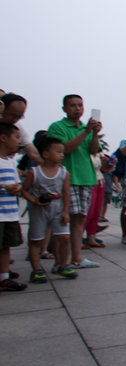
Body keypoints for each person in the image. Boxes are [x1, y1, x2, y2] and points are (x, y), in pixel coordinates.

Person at [47, 94, 102, 270]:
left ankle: (77, 257)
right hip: (66, 178)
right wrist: (85, 132)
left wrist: (93, 134)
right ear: (64, 108)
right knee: (63, 219)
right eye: (72, 105)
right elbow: (65, 149)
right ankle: (59, 260)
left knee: (79, 219)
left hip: (86, 177)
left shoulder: (87, 128)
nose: (77, 108)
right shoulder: (57, 127)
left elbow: (93, 151)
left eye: (80, 105)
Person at [21, 135, 75, 282]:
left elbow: (66, 193)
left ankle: (63, 265)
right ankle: (37, 269)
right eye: (58, 152)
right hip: (39, 209)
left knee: (64, 237)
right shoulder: (35, 172)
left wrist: (65, 212)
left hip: (58, 208)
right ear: (45, 154)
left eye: (62, 152)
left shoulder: (64, 173)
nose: (61, 155)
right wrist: (34, 201)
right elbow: (24, 190)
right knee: (36, 239)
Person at [0, 123, 27, 291]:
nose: (19, 141)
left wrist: (17, 188)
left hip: (10, 213)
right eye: (16, 138)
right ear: (3, 138)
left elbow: (16, 184)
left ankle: (4, 277)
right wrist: (3, 187)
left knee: (5, 246)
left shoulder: (10, 162)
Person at [0, 93, 41, 166]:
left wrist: (49, 166)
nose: (15, 120)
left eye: (19, 117)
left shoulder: (18, 129)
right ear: (2, 108)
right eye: (12, 115)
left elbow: (33, 154)